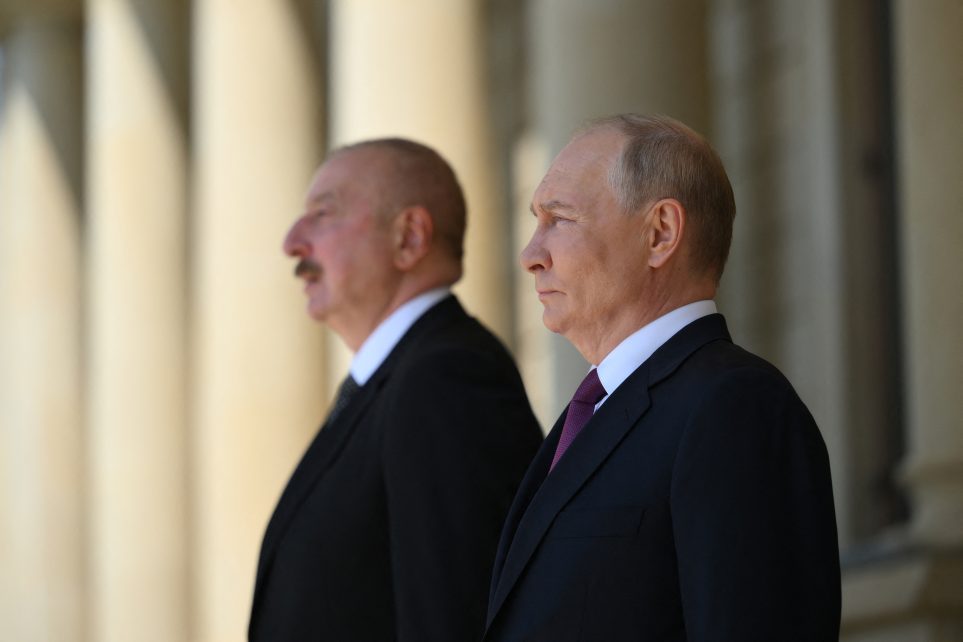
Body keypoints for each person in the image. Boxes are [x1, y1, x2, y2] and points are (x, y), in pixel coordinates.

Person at [484, 114, 840, 641]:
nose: (531, 255)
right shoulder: (590, 416)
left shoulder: (735, 406)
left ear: (661, 233)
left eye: (559, 219)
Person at [248, 138, 543, 641]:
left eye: (323, 214)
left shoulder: (447, 381)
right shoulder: (397, 382)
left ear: (409, 237)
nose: (293, 242)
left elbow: (455, 619)